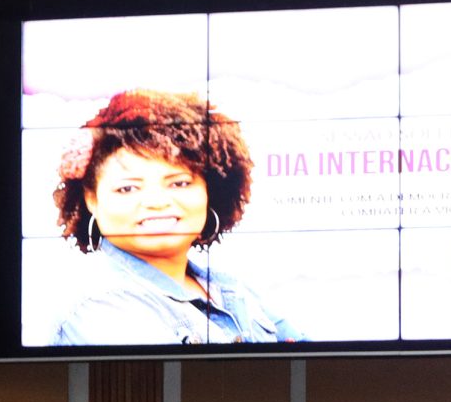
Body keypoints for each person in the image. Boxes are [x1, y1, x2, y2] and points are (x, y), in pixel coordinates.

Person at [45, 88, 302, 346]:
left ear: (210, 190)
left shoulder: (232, 289)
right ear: (92, 199)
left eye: (179, 184)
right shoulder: (97, 304)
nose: (157, 202)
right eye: (128, 188)